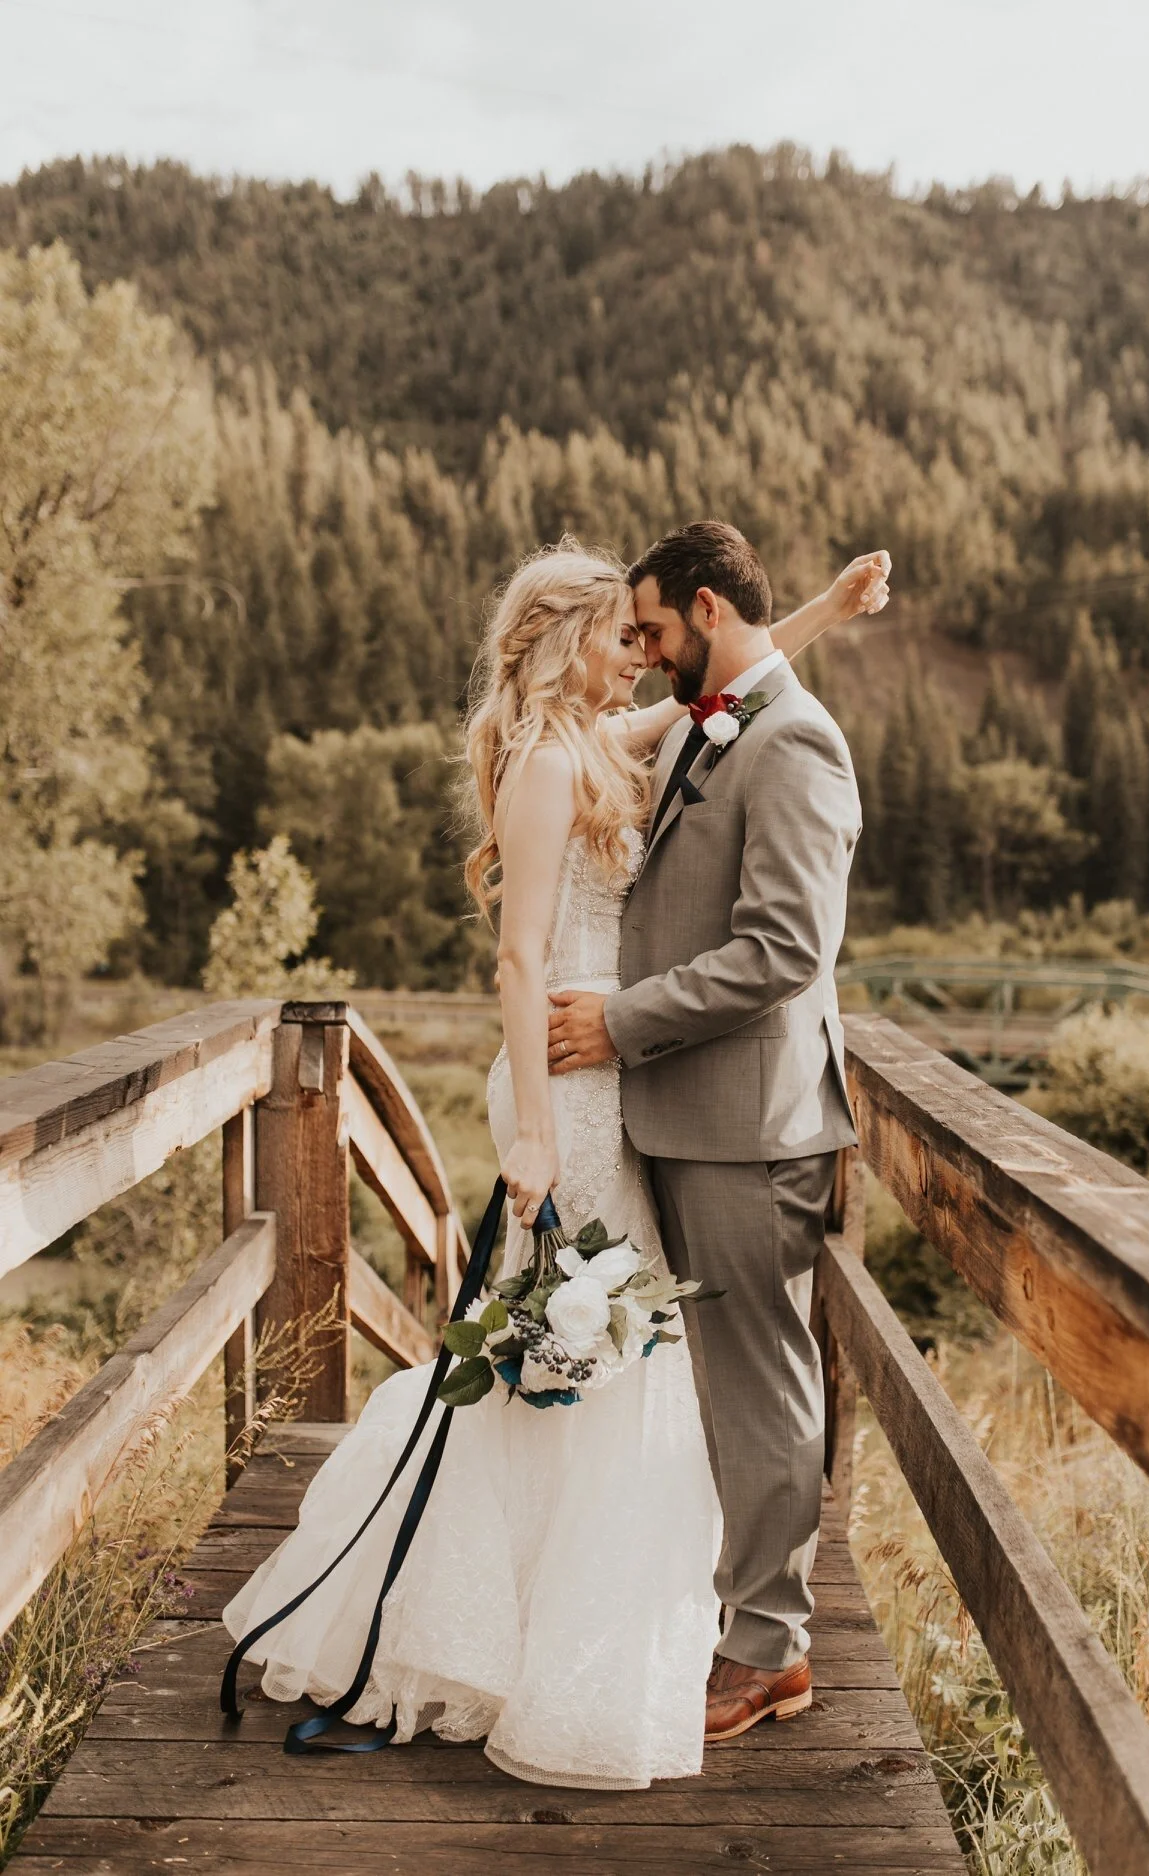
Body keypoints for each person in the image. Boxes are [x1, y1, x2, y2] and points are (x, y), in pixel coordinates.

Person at [221, 531, 888, 1787]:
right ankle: (525, 1622)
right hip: (570, 1091)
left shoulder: (631, 735)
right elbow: (520, 958)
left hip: (638, 1082)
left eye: (651, 633)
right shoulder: (545, 759)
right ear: (571, 641)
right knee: (580, 1347)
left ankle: (655, 1629)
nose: (641, 657)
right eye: (623, 638)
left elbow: (737, 689)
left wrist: (828, 610)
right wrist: (533, 1128)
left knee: (621, 1349)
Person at [548, 521, 878, 1743]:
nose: (642, 650)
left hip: (750, 1122)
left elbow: (784, 950)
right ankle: (738, 1617)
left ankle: (767, 1649)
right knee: (718, 1387)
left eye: (651, 629)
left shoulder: (795, 741)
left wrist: (622, 1021)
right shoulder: (712, 718)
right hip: (688, 1115)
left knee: (761, 1387)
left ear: (704, 609)